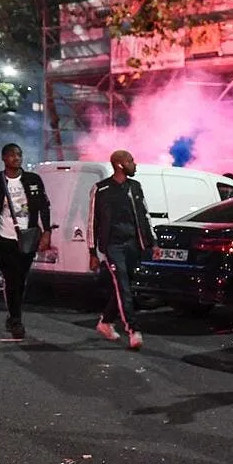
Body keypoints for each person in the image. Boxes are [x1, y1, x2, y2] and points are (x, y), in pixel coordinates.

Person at [0, 143, 52, 340]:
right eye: (11, 155)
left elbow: (44, 206)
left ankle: (13, 315)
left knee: (21, 279)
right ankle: (16, 319)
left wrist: (47, 232)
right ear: (4, 158)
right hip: (4, 238)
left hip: (28, 237)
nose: (16, 158)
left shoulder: (33, 180)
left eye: (19, 154)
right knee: (11, 278)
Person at [88, 149, 157, 350]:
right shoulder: (101, 189)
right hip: (113, 246)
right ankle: (133, 330)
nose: (135, 164)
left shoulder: (135, 187)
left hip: (134, 244)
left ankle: (105, 322)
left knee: (125, 287)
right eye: (131, 161)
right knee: (123, 286)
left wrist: (153, 242)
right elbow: (92, 221)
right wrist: (92, 252)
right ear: (120, 165)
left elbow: (145, 215)